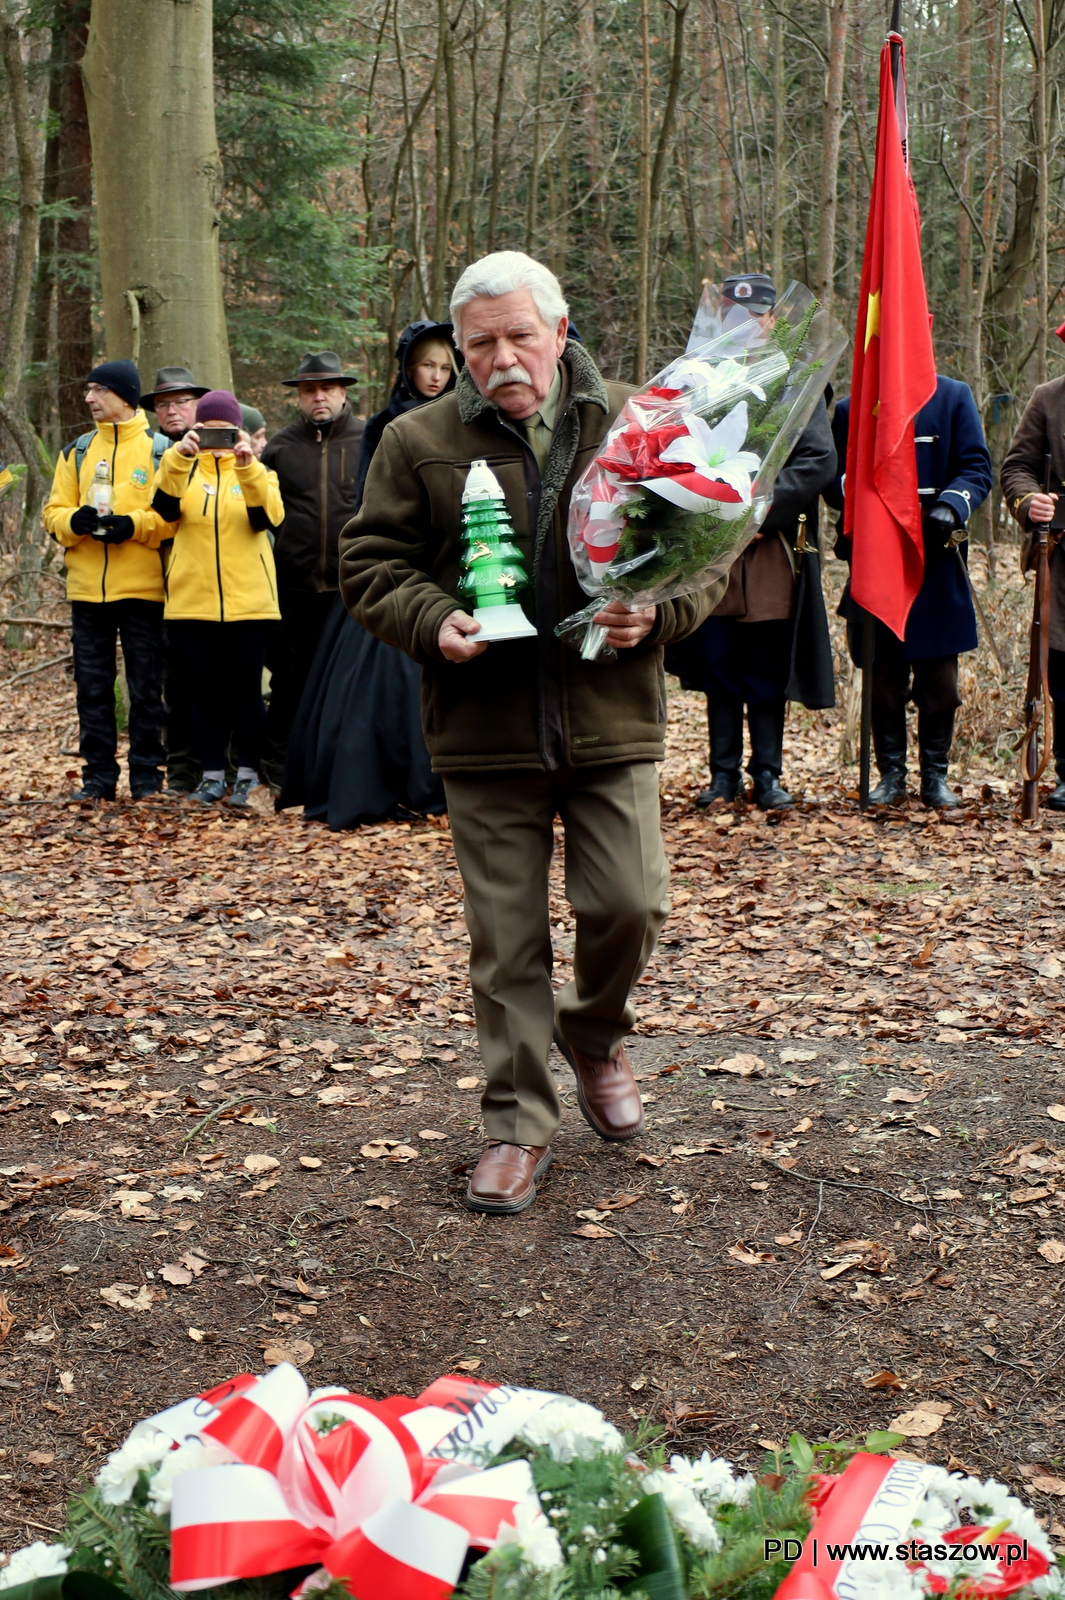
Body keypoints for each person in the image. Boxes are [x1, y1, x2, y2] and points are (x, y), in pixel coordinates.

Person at [340, 251, 720, 1217]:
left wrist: (658, 614)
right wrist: (432, 620)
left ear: (560, 332)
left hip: (610, 717)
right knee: (505, 942)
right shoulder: (415, 438)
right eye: (479, 344)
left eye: (519, 336)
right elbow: (368, 561)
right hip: (482, 729)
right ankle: (515, 1124)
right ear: (458, 350)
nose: (501, 357)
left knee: (630, 904)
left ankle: (594, 1031)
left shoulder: (640, 421)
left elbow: (709, 551)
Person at [666, 275, 837, 809]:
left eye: (756, 317)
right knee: (718, 663)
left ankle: (767, 774)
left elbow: (818, 462)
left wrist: (757, 507)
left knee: (764, 666)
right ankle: (722, 777)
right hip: (711, 548)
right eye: (733, 318)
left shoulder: (795, 386)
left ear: (772, 321)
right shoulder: (697, 382)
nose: (746, 326)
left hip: (769, 549)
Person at [278, 323, 456, 828]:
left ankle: (449, 781)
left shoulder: (470, 416)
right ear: (407, 367)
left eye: (446, 367)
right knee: (377, 681)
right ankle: (379, 781)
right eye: (427, 365)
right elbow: (368, 500)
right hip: (397, 560)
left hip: (457, 560)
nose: (436, 376)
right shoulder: (382, 425)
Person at [826, 376, 992, 807]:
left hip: (936, 561)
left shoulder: (955, 397)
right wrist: (864, 500)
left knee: (940, 682)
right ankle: (892, 776)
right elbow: (833, 479)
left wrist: (951, 504)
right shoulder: (851, 408)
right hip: (877, 560)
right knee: (882, 677)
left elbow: (976, 467)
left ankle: (935, 776)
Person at [43, 359, 170, 801]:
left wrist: (133, 525)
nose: (89, 398)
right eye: (88, 390)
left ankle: (147, 778)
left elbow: (172, 518)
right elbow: (53, 512)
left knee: (146, 688)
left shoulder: (160, 451)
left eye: (98, 390)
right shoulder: (76, 451)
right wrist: (72, 522)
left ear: (125, 396)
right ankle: (98, 778)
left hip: (143, 590)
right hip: (86, 592)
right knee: (92, 690)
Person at [150, 390, 283, 808]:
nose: (217, 440)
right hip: (192, 602)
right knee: (202, 693)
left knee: (245, 692)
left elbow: (269, 517)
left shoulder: (260, 472)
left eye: (226, 432)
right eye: (208, 432)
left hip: (250, 604)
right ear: (196, 430)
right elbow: (163, 511)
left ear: (239, 432)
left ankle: (246, 775)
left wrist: (249, 469)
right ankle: (210, 776)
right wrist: (179, 457)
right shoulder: (181, 468)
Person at [260, 352, 366, 788]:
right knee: (288, 684)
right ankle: (281, 774)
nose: (318, 397)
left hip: (353, 589)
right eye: (309, 390)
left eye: (327, 388)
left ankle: (345, 775)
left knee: (350, 686)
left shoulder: (368, 441)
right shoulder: (279, 448)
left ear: (343, 392)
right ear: (299, 397)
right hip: (293, 588)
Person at [142, 365, 211, 796]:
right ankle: (181, 770)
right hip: (161, 584)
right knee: (177, 685)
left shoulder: (221, 446)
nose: (172, 410)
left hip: (216, 586)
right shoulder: (151, 453)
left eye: (181, 401)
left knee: (219, 685)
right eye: (163, 404)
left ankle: (220, 769)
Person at [1002, 359, 1065, 809]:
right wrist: (1031, 502)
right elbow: (1017, 467)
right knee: (1063, 669)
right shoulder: (1048, 397)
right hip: (1064, 559)